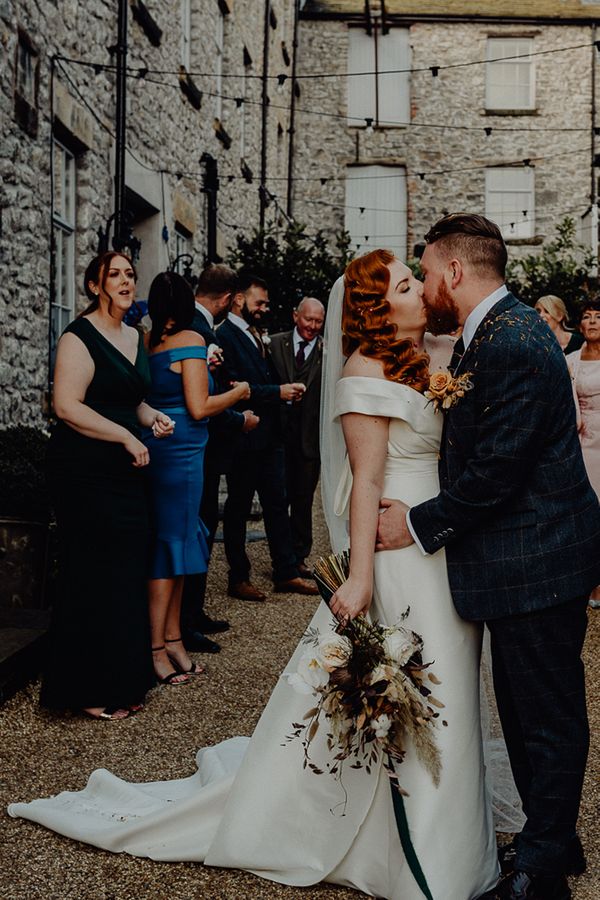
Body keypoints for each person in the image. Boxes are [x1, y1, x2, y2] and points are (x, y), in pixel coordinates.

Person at [9, 249, 500, 900]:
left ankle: (446, 834)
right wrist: (358, 578)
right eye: (408, 285)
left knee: (448, 687)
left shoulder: (430, 355)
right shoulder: (364, 370)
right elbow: (365, 483)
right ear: (379, 309)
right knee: (405, 687)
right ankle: (415, 852)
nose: (421, 291)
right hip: (394, 556)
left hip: (435, 545)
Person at [376, 214, 600, 900]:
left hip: (540, 559)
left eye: (424, 272)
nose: (425, 288)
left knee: (546, 719)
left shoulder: (512, 340)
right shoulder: (492, 333)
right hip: (525, 561)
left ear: (452, 271)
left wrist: (414, 523)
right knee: (529, 716)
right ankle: (549, 844)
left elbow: (498, 471)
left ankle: (541, 873)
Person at [41, 252, 174, 720]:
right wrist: (124, 436)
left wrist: (152, 418)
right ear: (96, 286)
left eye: (130, 274)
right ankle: (83, 687)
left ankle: (122, 679)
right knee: (91, 572)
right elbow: (67, 406)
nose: (125, 281)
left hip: (124, 469)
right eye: (114, 275)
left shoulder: (135, 335)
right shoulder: (78, 337)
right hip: (83, 468)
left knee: (125, 568)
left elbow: (129, 400)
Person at [144, 272, 251, 686]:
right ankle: (157, 647)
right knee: (171, 547)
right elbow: (199, 406)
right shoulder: (190, 338)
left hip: (162, 447)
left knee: (177, 542)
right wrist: (238, 393)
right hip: (182, 452)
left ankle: (173, 639)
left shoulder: (148, 341)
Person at [217, 273, 318, 600]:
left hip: (270, 439)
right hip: (244, 438)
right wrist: (278, 392)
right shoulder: (225, 336)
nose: (264, 308)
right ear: (238, 300)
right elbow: (234, 387)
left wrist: (280, 391)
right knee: (238, 508)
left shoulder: (254, 334)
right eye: (259, 302)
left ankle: (285, 571)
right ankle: (238, 577)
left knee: (277, 505)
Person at [180, 264, 259, 653]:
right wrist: (239, 416)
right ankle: (187, 618)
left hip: (200, 448)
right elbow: (200, 399)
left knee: (201, 528)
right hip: (199, 449)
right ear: (228, 299)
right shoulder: (200, 332)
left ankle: (193, 613)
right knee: (199, 528)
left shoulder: (193, 324)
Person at [269, 297, 325, 577]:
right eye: (308, 319)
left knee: (303, 501)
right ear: (295, 316)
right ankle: (281, 558)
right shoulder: (273, 344)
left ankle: (299, 556)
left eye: (318, 321)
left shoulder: (328, 352)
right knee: (277, 500)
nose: (312, 326)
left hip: (309, 439)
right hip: (275, 436)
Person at [567, 299, 600, 608]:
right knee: (590, 511)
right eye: (587, 317)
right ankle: (593, 581)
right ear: (579, 325)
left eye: (598, 317)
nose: (592, 322)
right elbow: (568, 401)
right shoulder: (572, 361)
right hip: (586, 441)